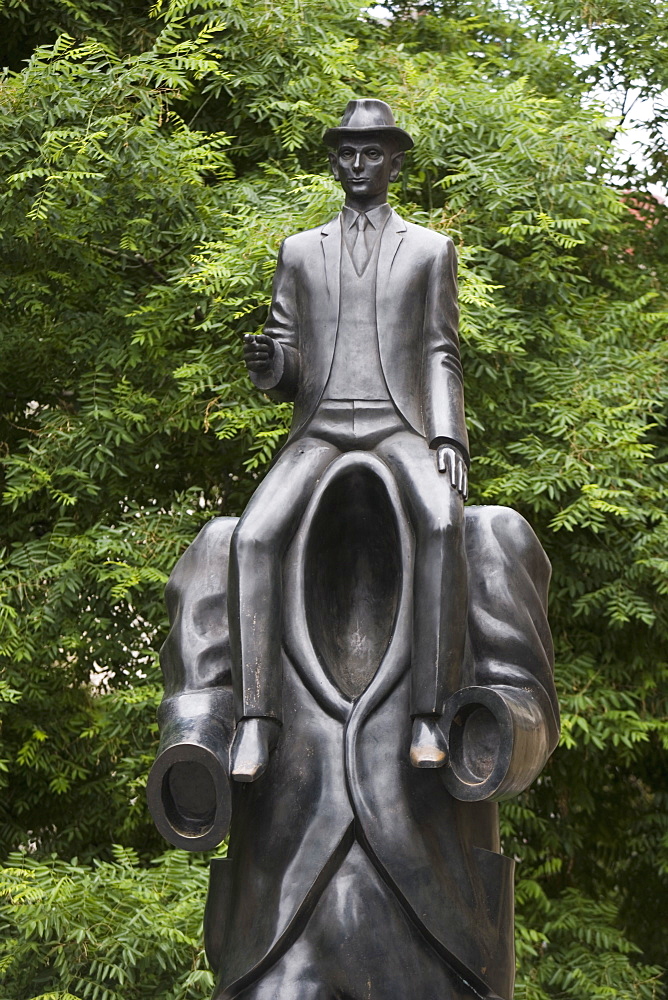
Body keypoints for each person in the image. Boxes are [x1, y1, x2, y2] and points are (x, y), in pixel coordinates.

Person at [229, 99, 470, 781]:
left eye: (372, 153)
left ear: (394, 161)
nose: (358, 165)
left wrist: (447, 436)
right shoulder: (301, 252)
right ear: (333, 161)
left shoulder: (430, 251)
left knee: (443, 522)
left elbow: (440, 353)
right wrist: (271, 366)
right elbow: (285, 360)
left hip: (399, 427)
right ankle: (256, 724)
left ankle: (429, 715)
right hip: (322, 427)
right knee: (252, 537)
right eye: (346, 153)